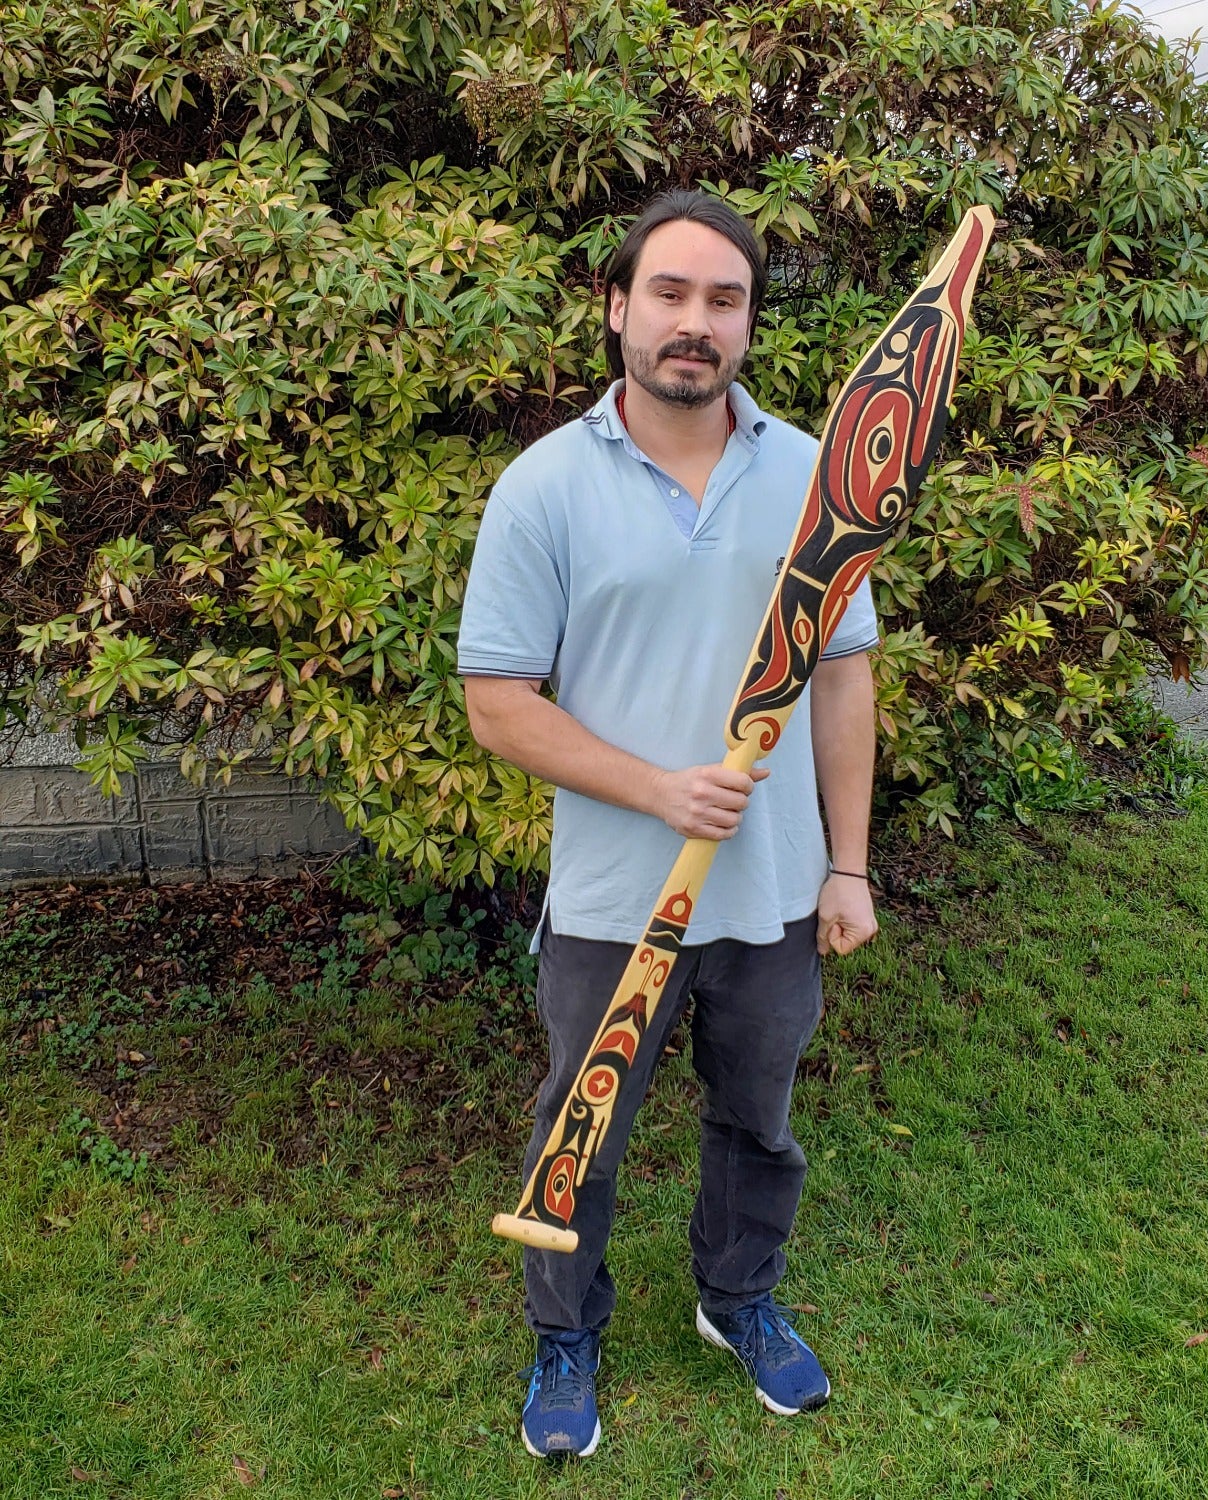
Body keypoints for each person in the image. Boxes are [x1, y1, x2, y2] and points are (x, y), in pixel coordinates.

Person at [457, 189, 880, 1459]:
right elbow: (496, 704)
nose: (696, 323)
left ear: (748, 325)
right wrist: (659, 789)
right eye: (671, 294)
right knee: (581, 1124)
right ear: (618, 310)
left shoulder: (813, 473)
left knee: (759, 1117)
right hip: (611, 895)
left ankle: (737, 1299)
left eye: (725, 299)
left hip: (772, 893)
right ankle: (565, 1326)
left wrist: (847, 862)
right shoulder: (543, 487)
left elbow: (846, 671)